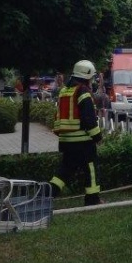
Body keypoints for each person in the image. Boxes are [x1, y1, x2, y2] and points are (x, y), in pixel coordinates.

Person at [49, 60, 103, 205]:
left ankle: (46, 196)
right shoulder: (83, 91)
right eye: (91, 77)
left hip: (66, 141)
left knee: (64, 171)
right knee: (91, 169)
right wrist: (97, 137)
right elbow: (88, 118)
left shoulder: (64, 91)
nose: (92, 80)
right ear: (86, 76)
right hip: (83, 142)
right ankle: (92, 200)